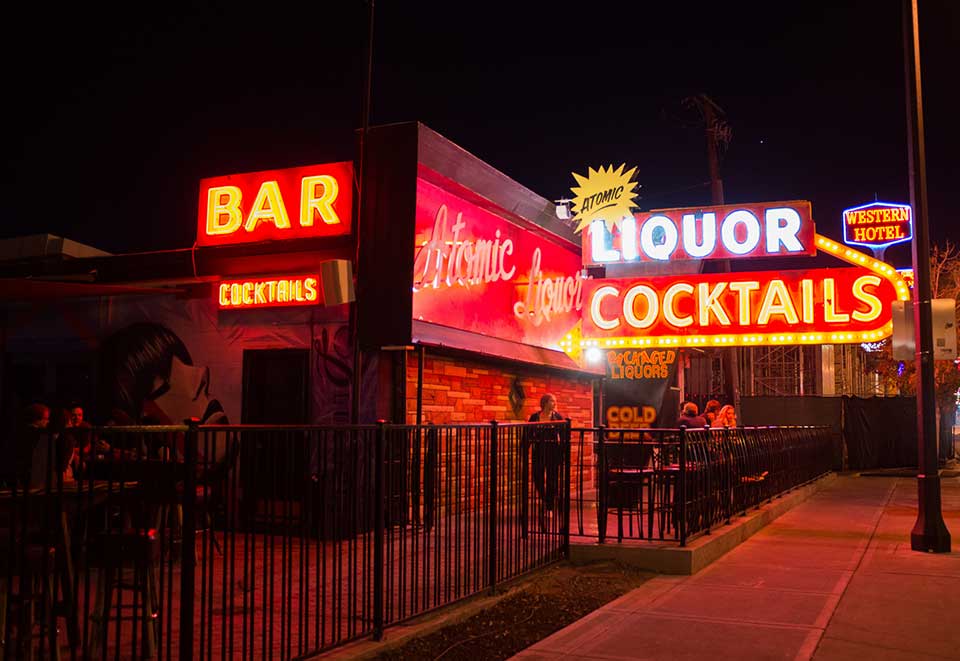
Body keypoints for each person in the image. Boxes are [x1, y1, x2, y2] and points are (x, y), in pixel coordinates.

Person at [527, 394, 564, 532]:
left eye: (555, 401)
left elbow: (564, 436)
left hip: (553, 451)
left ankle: (549, 507)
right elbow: (528, 434)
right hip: (539, 451)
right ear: (545, 403)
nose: (554, 403)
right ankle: (545, 499)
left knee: (552, 480)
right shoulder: (535, 417)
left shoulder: (558, 417)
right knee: (537, 477)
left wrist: (563, 453)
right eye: (552, 401)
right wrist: (524, 448)